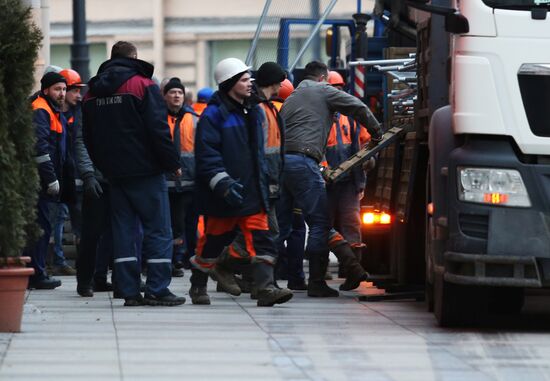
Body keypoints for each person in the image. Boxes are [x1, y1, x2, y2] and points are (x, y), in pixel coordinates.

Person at [82, 41, 185, 306]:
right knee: (158, 230)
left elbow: (88, 136)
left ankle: (128, 291)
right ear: (134, 57)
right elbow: (158, 129)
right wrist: (171, 161)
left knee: (123, 232)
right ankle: (157, 288)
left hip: (114, 174)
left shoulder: (91, 92)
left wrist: (103, 166)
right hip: (146, 171)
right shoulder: (142, 85)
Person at [191, 57, 292, 307]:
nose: (250, 84)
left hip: (253, 193)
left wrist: (266, 184)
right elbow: (207, 155)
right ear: (230, 83)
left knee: (263, 239)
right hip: (224, 195)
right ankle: (198, 283)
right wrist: (223, 184)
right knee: (212, 244)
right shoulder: (214, 115)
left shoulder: (253, 111)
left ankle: (266, 288)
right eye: (245, 80)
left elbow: (259, 155)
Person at [278, 61, 383, 297]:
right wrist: (377, 131)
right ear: (323, 78)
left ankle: (261, 281)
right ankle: (316, 282)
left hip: (284, 164)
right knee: (320, 222)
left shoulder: (291, 99)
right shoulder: (322, 90)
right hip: (305, 163)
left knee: (281, 225)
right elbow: (358, 107)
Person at [26, 71, 74, 289]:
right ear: (46, 90)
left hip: (46, 180)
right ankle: (37, 273)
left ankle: (38, 271)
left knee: (43, 225)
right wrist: (51, 179)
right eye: (58, 89)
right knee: (41, 225)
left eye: (64, 89)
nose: (62, 93)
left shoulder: (53, 111)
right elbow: (41, 149)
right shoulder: (41, 110)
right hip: (40, 181)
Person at [325, 71, 371, 277]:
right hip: (325, 181)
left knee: (351, 224)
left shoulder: (351, 118)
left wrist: (363, 175)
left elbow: (362, 146)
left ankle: (352, 269)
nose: (337, 93)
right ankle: (321, 270)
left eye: (340, 89)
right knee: (324, 224)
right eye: (333, 89)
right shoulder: (318, 118)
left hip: (348, 182)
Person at [161, 78, 201, 279]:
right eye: (172, 92)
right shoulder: (158, 119)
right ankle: (174, 258)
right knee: (172, 224)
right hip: (165, 184)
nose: (176, 96)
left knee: (189, 223)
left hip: (190, 183)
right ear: (165, 96)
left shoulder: (194, 119)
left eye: (180, 92)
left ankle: (188, 257)